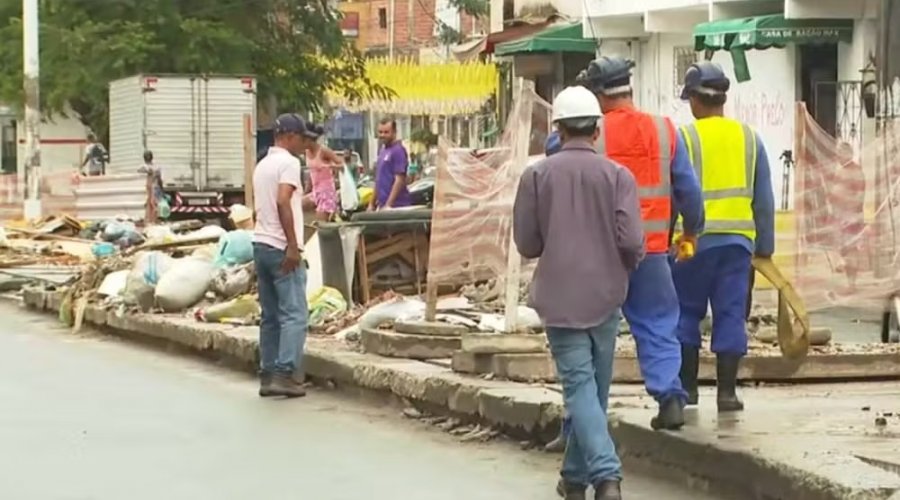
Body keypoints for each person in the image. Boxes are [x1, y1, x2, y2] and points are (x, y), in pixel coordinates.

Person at [514, 85, 645, 500]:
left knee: (581, 389)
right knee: (593, 390)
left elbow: (528, 244)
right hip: (607, 296)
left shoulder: (536, 175)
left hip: (560, 299)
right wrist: (624, 267)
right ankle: (577, 478)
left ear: (558, 129)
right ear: (596, 130)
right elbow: (632, 241)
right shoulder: (618, 176)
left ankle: (603, 477)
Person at [581, 56, 705, 430]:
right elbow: (690, 191)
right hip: (651, 251)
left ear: (598, 94)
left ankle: (584, 422)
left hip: (600, 255)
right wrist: (691, 231)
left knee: (590, 335)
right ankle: (670, 397)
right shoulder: (666, 130)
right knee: (657, 323)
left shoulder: (588, 132)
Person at [673, 61, 775, 412]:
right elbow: (764, 200)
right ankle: (727, 393)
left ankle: (687, 389)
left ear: (695, 101)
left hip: (691, 242)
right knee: (731, 314)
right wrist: (764, 248)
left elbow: (677, 195)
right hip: (737, 245)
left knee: (685, 312)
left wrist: (663, 244)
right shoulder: (750, 138)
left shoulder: (684, 138)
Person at [253, 113, 319, 398]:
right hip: (281, 247)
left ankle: (267, 374)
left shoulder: (263, 164)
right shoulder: (289, 163)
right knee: (295, 314)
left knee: (270, 315)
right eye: (301, 138)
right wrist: (293, 245)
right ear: (289, 136)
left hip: (260, 243)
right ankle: (285, 373)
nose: (304, 144)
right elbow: (283, 200)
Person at [304, 123, 345, 222]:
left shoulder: (323, 151)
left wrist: (332, 167)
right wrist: (305, 191)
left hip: (326, 193)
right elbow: (311, 173)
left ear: (309, 139)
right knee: (296, 206)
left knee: (320, 225)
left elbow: (342, 164)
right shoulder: (306, 152)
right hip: (315, 191)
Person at [370, 118, 412, 210]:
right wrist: (371, 204)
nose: (382, 135)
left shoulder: (398, 151)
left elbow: (399, 180)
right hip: (382, 205)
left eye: (386, 132)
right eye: (380, 132)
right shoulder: (382, 151)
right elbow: (378, 180)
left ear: (394, 132)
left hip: (397, 206)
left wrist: (389, 205)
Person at [137, 150, 165, 222]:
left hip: (150, 188)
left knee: (151, 204)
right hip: (154, 188)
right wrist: (162, 188)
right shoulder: (156, 167)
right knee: (153, 204)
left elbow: (139, 172)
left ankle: (151, 220)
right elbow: (159, 179)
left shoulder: (144, 167)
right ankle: (152, 220)